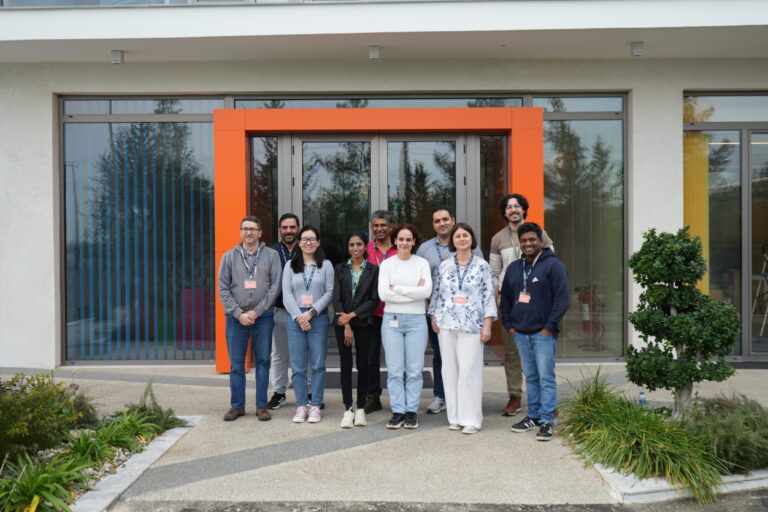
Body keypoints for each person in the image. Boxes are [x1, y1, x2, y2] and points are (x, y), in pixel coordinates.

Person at [500, 222, 569, 441]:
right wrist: (509, 326)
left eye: (532, 240)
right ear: (519, 243)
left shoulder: (554, 266)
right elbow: (507, 299)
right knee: (530, 376)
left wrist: (549, 328)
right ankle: (534, 416)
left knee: (546, 378)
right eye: (524, 241)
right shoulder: (514, 268)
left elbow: (562, 300)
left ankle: (548, 420)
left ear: (540, 241)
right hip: (520, 333)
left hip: (543, 334)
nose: (528, 244)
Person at [489, 193, 555, 417]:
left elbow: (551, 261)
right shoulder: (498, 238)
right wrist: (498, 295)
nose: (513, 210)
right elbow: (494, 272)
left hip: (537, 304)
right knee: (512, 353)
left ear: (524, 209)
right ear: (505, 212)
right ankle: (515, 396)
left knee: (540, 352)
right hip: (512, 304)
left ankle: (546, 402)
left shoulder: (538, 233)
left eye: (517, 206)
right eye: (508, 207)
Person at [428, 223, 496, 434]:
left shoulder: (482, 265)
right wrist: (433, 315)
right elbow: (437, 293)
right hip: (446, 323)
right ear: (452, 241)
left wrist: (488, 324)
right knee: (449, 371)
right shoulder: (445, 265)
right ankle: (455, 417)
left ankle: (472, 419)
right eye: (457, 236)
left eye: (465, 235)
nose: (461, 239)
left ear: (471, 239)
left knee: (469, 371)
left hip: (472, 325)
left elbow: (488, 295)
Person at [417, 206, 484, 415]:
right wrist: (428, 306)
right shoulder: (424, 249)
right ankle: (441, 396)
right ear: (433, 225)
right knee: (441, 355)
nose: (442, 223)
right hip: (438, 312)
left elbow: (482, 283)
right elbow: (420, 280)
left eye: (445, 219)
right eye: (437, 221)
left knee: (465, 359)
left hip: (467, 315)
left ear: (452, 220)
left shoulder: (470, 245)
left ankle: (464, 398)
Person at [218, 216, 282, 422]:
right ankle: (237, 406)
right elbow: (223, 289)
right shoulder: (229, 257)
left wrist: (257, 311)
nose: (249, 233)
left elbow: (275, 287)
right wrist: (239, 313)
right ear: (240, 232)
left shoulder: (271, 256)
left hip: (263, 317)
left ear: (260, 232)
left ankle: (261, 405)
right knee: (236, 364)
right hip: (236, 318)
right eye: (245, 229)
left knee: (263, 361)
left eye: (253, 229)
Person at [378, 224, 432, 429]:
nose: (404, 243)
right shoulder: (387, 264)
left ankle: (411, 411)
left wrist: (397, 289)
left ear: (414, 242)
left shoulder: (422, 263)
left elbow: (426, 292)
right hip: (391, 320)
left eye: (408, 239)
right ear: (395, 241)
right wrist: (412, 291)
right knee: (394, 369)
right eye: (401, 239)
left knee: (415, 370)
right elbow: (384, 294)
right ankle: (398, 410)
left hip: (417, 321)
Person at [282, 225, 334, 424]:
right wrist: (298, 316)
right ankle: (301, 405)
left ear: (318, 242)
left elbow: (329, 292)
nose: (308, 242)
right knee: (297, 366)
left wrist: (311, 313)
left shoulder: (326, 265)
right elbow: (286, 294)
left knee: (318, 364)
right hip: (295, 320)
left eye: (312, 239)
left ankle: (316, 405)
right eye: (304, 239)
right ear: (298, 242)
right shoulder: (290, 265)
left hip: (318, 318)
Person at [333, 232, 380, 428]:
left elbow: (374, 299)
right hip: (342, 324)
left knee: (364, 365)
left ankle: (360, 408)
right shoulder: (339, 269)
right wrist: (346, 324)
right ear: (348, 247)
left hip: (364, 323)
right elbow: (336, 298)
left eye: (359, 244)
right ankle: (347, 409)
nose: (355, 248)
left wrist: (352, 316)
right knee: (345, 366)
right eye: (352, 244)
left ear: (364, 246)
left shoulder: (373, 270)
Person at [364, 210, 398, 414]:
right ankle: (373, 396)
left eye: (383, 225)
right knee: (371, 356)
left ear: (390, 227)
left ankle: (398, 397)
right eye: (375, 225)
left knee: (396, 357)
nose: (379, 229)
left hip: (395, 311)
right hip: (372, 312)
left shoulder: (400, 247)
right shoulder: (366, 249)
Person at [267, 213, 300, 410]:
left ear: (298, 228)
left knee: (304, 354)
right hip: (279, 310)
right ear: (280, 229)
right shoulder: (271, 252)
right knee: (279, 354)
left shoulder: (306, 249)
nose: (289, 231)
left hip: (303, 312)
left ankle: (308, 391)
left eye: (292, 227)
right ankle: (279, 392)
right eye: (285, 227)